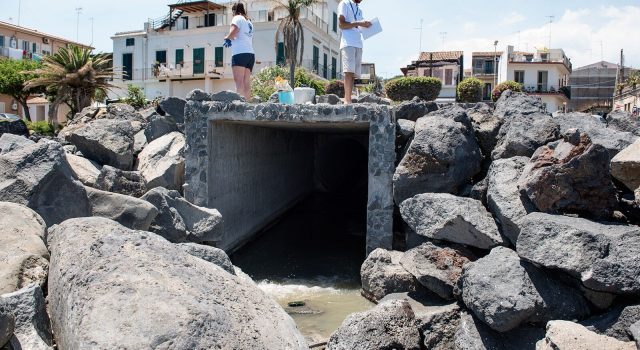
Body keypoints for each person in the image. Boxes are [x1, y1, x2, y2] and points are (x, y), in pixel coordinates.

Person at [338, 0, 371, 104]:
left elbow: (359, 27)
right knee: (348, 72)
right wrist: (359, 23)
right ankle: (347, 100)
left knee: (353, 74)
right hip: (348, 42)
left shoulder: (359, 9)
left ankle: (349, 98)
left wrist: (367, 25)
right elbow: (341, 24)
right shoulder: (344, 3)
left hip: (358, 43)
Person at [224, 3, 254, 100]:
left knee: (239, 82)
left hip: (239, 53)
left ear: (234, 11)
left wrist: (227, 38)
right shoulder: (249, 22)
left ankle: (240, 106)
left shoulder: (237, 18)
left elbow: (234, 30)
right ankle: (248, 104)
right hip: (250, 54)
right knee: (246, 83)